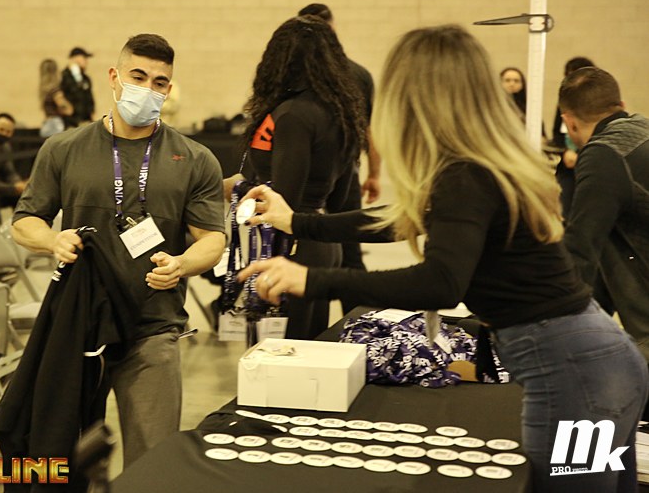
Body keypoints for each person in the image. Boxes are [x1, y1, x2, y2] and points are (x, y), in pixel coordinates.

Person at [238, 25, 648, 493]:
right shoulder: (478, 164)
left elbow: (439, 283)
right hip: (596, 364)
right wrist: (297, 221)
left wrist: (312, 279)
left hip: (576, 375)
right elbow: (395, 220)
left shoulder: (465, 174)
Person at [10, 34, 225, 466]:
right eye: (138, 77)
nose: (147, 89)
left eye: (159, 83)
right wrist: (53, 239)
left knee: (152, 462)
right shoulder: (64, 148)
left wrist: (181, 264)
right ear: (114, 77)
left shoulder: (194, 158)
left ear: (169, 89)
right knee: (61, 455)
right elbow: (24, 221)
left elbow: (213, 240)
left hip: (153, 327)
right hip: (77, 326)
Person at [226, 14, 366, 340]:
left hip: (291, 247)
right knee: (309, 350)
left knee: (278, 355)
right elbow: (341, 197)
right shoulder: (339, 112)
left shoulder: (292, 115)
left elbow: (283, 200)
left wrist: (239, 189)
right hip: (323, 243)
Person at [560, 67, 649, 362]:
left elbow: (582, 246)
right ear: (621, 106)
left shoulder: (603, 154)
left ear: (569, 122)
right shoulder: (642, 128)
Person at [298, 2, 382, 299]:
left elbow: (369, 129)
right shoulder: (356, 73)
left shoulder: (351, 74)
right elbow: (369, 130)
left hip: (318, 177)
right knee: (346, 252)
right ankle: (353, 320)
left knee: (335, 249)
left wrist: (374, 173)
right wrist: (374, 174)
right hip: (338, 173)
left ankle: (354, 320)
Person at [553, 56, 596, 218]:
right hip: (567, 166)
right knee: (563, 209)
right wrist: (565, 152)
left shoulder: (597, 103)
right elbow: (557, 133)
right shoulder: (563, 103)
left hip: (589, 162)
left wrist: (580, 154)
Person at [60, 46, 95, 127]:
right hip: (70, 122)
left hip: (86, 121)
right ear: (76, 58)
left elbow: (88, 99)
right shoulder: (63, 77)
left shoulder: (85, 79)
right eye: (84, 58)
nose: (86, 62)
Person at [38, 58, 73, 137]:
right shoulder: (55, 91)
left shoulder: (44, 90)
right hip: (55, 125)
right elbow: (67, 110)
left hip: (46, 124)